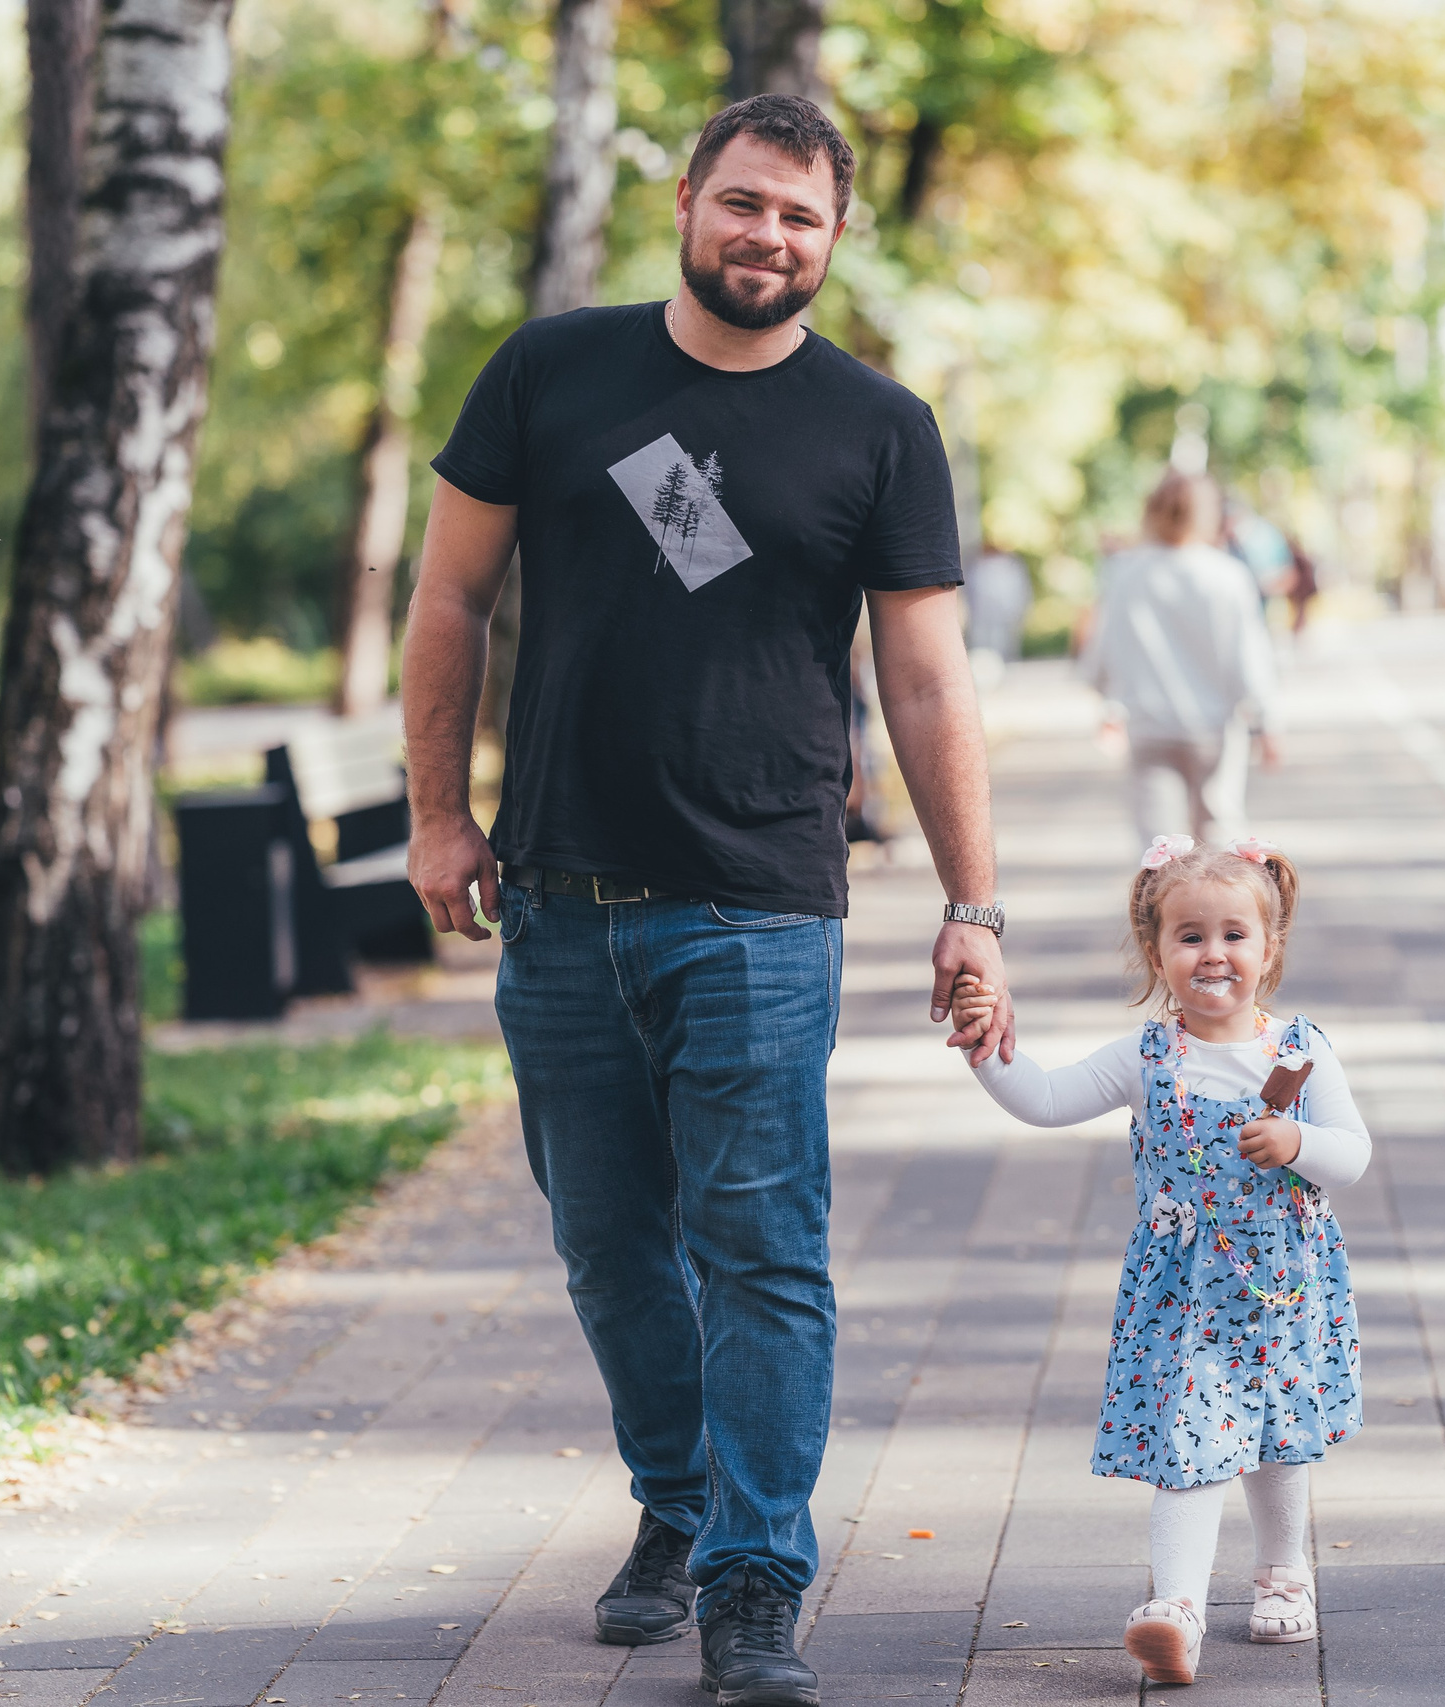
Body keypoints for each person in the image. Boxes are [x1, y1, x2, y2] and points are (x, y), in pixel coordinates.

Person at [398, 93, 1016, 1707]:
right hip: (556, 895)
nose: (769, 236)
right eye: (745, 202)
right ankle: (677, 1500)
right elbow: (451, 595)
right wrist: (437, 812)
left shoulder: (879, 425)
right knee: (609, 1244)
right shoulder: (552, 372)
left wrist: (976, 902)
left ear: (836, 237)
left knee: (759, 1247)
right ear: (685, 201)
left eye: (802, 216)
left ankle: (754, 1575)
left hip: (760, 904)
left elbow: (928, 679)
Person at [950, 837, 1365, 1686]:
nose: (1213, 953)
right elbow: (1047, 1098)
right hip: (1187, 1295)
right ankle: (1176, 1607)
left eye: (1234, 935)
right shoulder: (1145, 1057)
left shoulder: (1299, 1051)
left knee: (1280, 1432)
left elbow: (1352, 1153)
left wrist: (1298, 1142)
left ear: (1269, 947)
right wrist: (986, 1046)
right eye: (1190, 936)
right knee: (1192, 1432)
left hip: (1283, 1288)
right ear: (1156, 950)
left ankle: (1283, 1571)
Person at [1080, 471, 1281, 847]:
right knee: (1219, 836)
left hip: (1150, 727)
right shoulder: (1227, 575)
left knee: (1159, 848)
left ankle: (1160, 890)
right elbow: (1248, 658)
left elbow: (1105, 649)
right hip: (1214, 728)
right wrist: (1265, 723)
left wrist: (1109, 705)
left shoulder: (1126, 574)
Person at [962, 543, 1032, 686]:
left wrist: (1017, 611)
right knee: (981, 646)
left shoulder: (1009, 566)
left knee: (1003, 646)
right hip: (981, 616)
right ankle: (983, 677)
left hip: (1002, 615)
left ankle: (1003, 676)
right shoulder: (978, 566)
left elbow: (1018, 591)